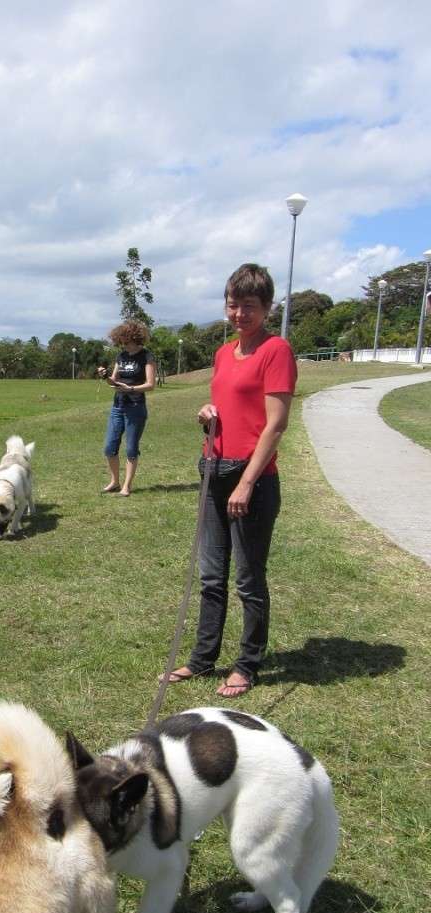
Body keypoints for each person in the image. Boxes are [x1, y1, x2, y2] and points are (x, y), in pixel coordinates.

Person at [164, 263, 297, 698]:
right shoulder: (224, 353)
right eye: (233, 304)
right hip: (214, 470)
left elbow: (274, 426)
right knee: (210, 575)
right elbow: (228, 407)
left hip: (252, 478)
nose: (239, 313)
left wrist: (245, 483)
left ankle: (247, 663)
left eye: (250, 306)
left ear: (267, 308)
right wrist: (206, 413)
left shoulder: (276, 351)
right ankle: (203, 659)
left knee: (248, 578)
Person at [97, 321, 156, 495]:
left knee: (131, 448)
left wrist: (130, 389)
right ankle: (115, 481)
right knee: (109, 447)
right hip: (118, 406)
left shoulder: (146, 356)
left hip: (136, 407)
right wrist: (105, 376)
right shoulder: (121, 356)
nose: (120, 341)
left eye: (122, 337)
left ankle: (127, 486)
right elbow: (113, 381)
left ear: (131, 337)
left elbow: (150, 385)